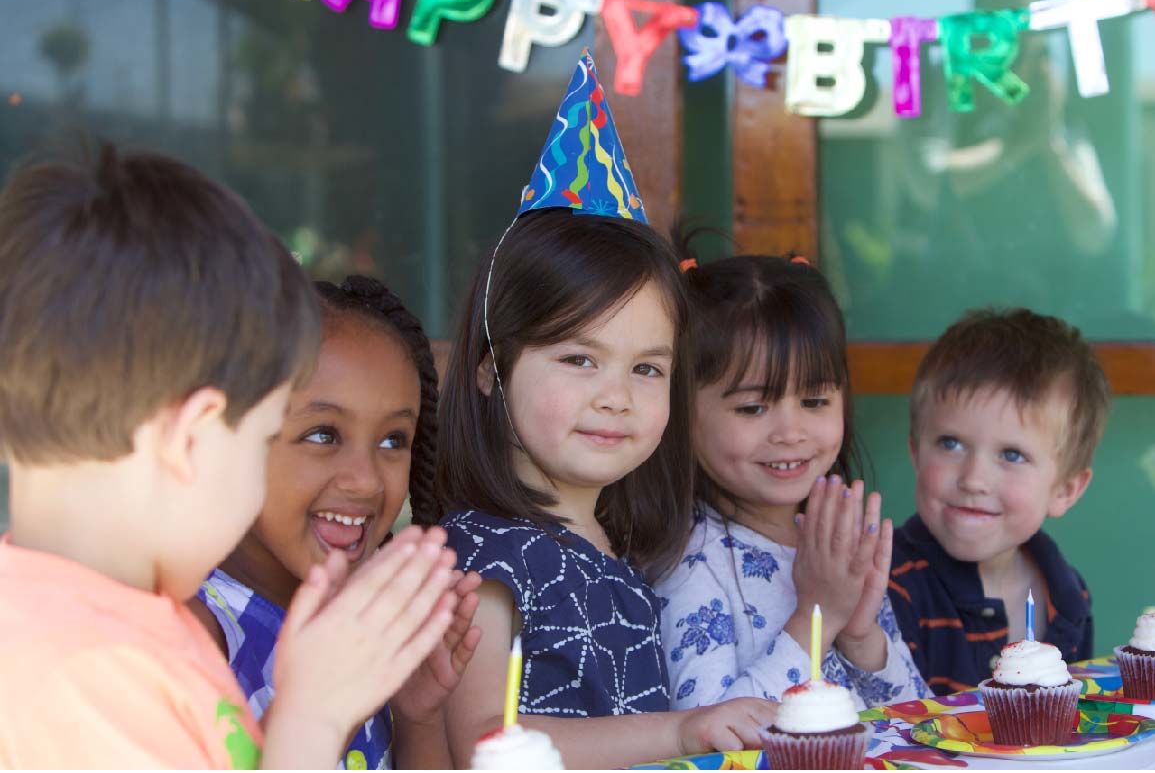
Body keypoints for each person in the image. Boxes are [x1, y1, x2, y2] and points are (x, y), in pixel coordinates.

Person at [0, 144, 458, 768]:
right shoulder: (82, 672)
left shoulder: (113, 623)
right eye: (266, 436)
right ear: (193, 438)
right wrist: (313, 714)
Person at [437, 52, 777, 769]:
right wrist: (679, 730)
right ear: (489, 367)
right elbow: (481, 742)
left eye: (646, 367)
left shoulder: (613, 544)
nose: (616, 395)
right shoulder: (484, 556)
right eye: (578, 358)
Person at [191, 275, 481, 769]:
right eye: (323, 434)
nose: (366, 481)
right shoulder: (199, 632)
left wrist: (417, 715)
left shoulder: (370, 621)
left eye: (393, 440)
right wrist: (324, 705)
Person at [656, 240, 927, 711]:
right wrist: (816, 615)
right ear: (682, 411)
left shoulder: (837, 539)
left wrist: (861, 634)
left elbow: (917, 719)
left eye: (815, 401)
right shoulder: (689, 563)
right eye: (753, 407)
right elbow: (708, 739)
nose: (790, 432)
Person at [888, 307, 1109, 695]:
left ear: (1065, 490)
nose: (973, 479)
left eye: (1011, 455)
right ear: (915, 453)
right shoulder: (889, 583)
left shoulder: (1070, 596)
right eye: (950, 444)